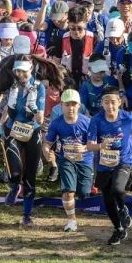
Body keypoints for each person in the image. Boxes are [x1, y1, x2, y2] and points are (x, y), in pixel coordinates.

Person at [88, 86, 132, 245]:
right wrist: (101, 145)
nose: (110, 106)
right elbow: (89, 146)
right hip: (105, 164)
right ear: (102, 103)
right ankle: (119, 229)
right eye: (106, 102)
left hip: (124, 161)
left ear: (119, 102)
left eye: (113, 102)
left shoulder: (127, 117)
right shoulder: (96, 120)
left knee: (118, 189)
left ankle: (122, 208)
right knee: (107, 200)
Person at [0, 57, 46, 227]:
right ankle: (14, 185)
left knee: (30, 176)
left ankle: (27, 214)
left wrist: (36, 112)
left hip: (32, 131)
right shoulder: (13, 86)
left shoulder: (39, 87)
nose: (20, 75)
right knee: (15, 168)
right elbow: (8, 108)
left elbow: (40, 116)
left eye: (23, 71)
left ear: (30, 70)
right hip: (14, 129)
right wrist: (0, 124)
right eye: (17, 71)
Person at [44, 89, 95, 233]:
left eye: (73, 104)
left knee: (84, 192)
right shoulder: (56, 123)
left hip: (85, 161)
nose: (70, 108)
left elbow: (95, 144)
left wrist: (84, 148)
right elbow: (47, 143)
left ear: (79, 106)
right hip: (66, 160)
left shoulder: (87, 122)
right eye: (67, 104)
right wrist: (47, 153)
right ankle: (71, 220)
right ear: (61, 106)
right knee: (68, 191)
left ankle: (80, 194)